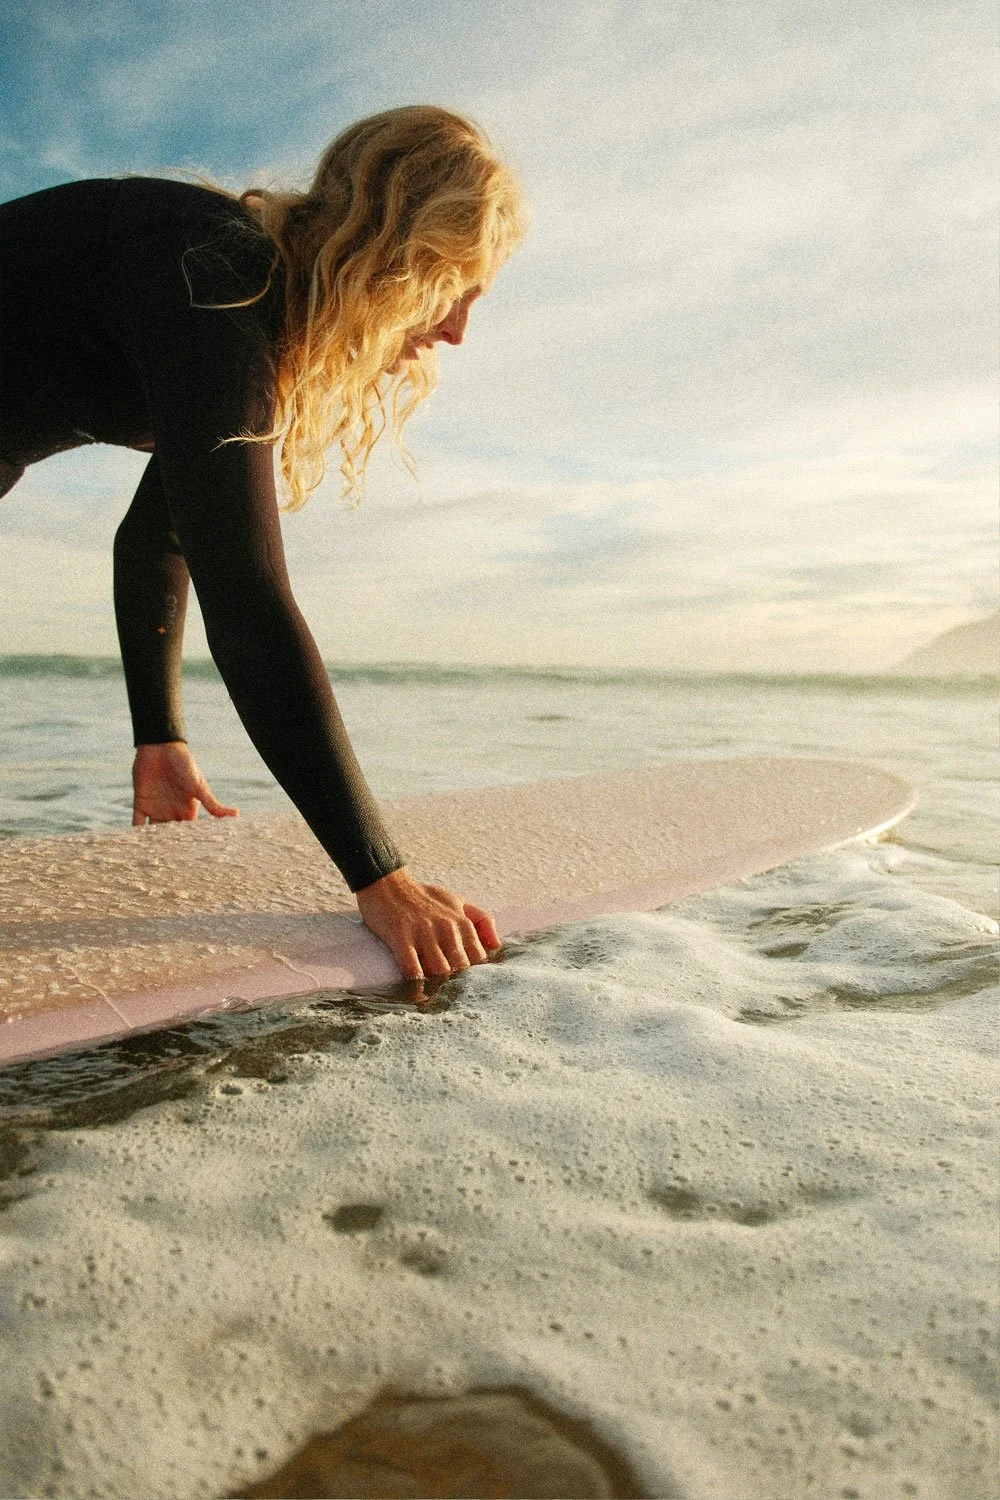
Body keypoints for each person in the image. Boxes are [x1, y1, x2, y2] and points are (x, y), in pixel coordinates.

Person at [0, 105, 528, 982]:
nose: (458, 329)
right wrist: (379, 875)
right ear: (392, 254)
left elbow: (157, 539)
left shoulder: (237, 299)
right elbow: (246, 593)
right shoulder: (218, 279)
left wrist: (160, 739)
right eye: (450, 285)